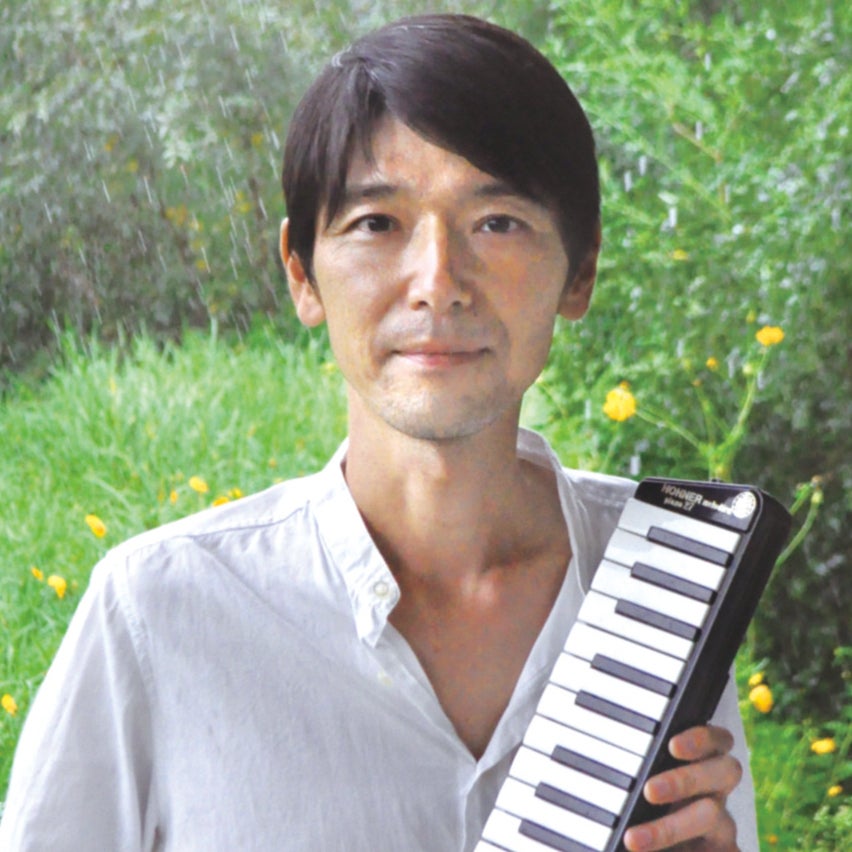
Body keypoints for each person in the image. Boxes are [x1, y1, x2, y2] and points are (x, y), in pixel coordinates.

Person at [0, 14, 754, 852]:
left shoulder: (668, 582)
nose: (437, 282)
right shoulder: (155, 613)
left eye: (497, 221)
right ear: (301, 273)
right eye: (376, 223)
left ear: (580, 273)